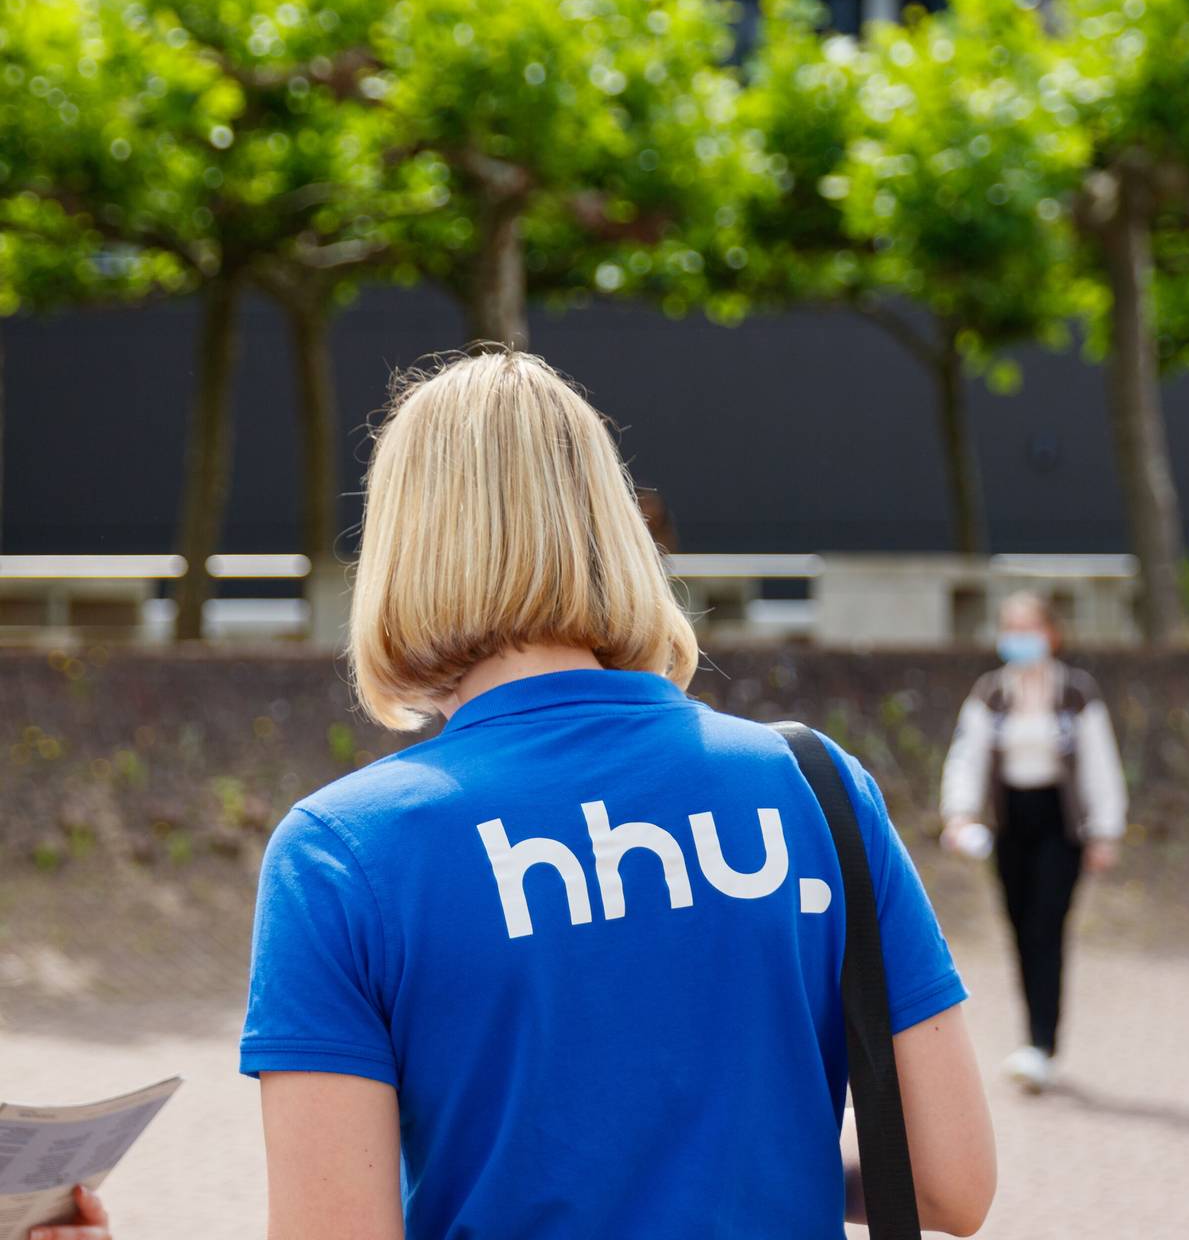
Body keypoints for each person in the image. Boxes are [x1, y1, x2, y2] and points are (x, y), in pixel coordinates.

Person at [240, 351, 995, 1238]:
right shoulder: (814, 787)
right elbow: (955, 1183)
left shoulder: (342, 854)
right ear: (610, 524)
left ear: (401, 548)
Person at [941, 591, 1128, 1095]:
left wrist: (1105, 830)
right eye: (1011, 628)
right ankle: (1032, 1037)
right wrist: (959, 814)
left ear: (1052, 634)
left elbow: (1099, 764)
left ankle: (1043, 1042)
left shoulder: (1076, 693)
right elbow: (967, 755)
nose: (1019, 638)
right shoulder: (990, 693)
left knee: (1048, 926)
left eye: (1030, 628)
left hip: (1060, 827)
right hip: (1010, 826)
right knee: (1021, 929)